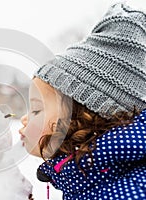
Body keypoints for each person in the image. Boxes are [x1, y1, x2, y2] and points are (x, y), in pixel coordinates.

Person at [19, 3, 146, 199]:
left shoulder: (126, 191)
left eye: (37, 109)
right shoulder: (91, 177)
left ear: (83, 115)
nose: (24, 119)